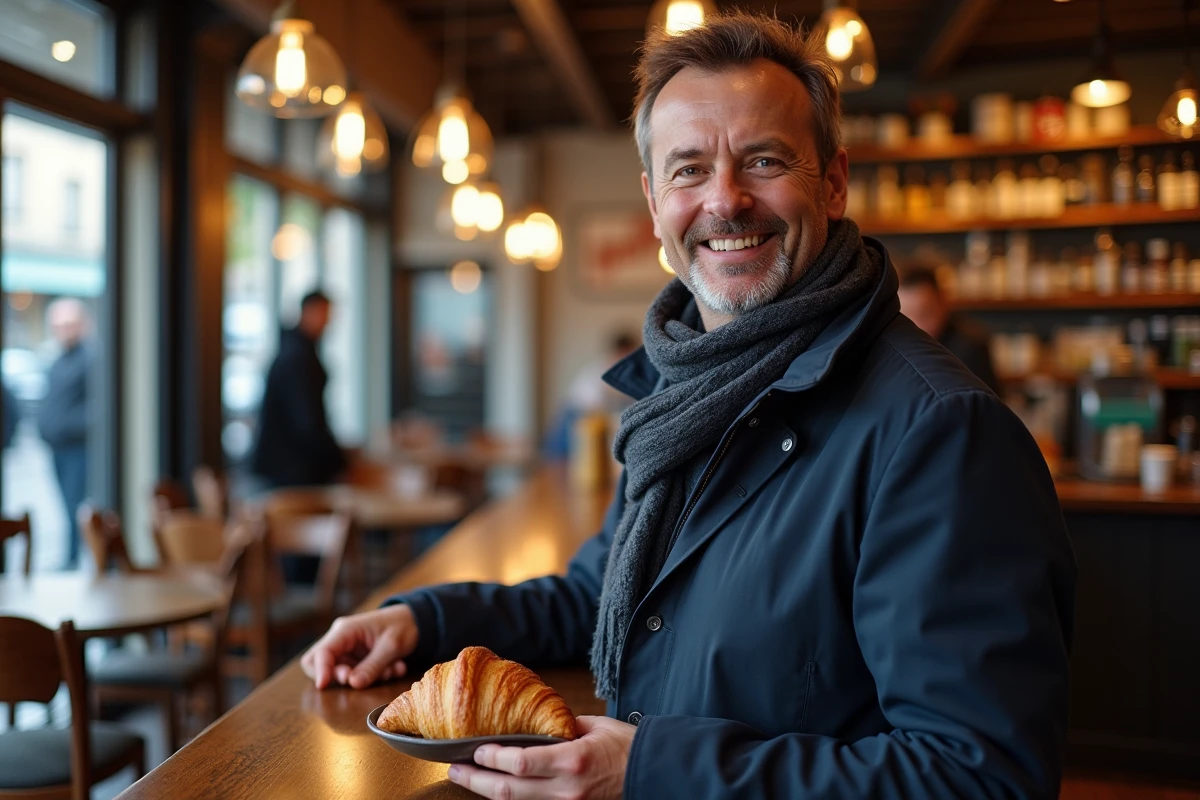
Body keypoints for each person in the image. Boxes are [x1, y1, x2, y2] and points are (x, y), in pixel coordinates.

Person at [302, 13, 1076, 799]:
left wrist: (650, 769)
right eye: (689, 169)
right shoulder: (682, 398)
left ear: (833, 180)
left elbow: (981, 777)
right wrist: (422, 623)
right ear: (653, 202)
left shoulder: (939, 430)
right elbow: (600, 600)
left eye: (764, 160)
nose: (726, 200)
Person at [250, 290, 347, 489]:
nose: (328, 322)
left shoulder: (293, 350)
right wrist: (338, 460)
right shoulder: (299, 358)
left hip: (283, 465)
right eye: (325, 314)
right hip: (292, 470)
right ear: (308, 312)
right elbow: (307, 421)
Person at [37, 298, 91, 570]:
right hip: (57, 447)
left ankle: (73, 561)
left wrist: (72, 425)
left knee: (75, 505)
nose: (63, 330)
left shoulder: (91, 359)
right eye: (58, 325)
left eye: (69, 324)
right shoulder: (58, 360)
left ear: (82, 324)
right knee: (65, 505)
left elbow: (100, 407)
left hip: (77, 447)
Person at [898, 264, 1001, 393]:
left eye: (926, 314)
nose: (918, 325)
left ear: (943, 302)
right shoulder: (896, 346)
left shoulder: (970, 346)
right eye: (907, 316)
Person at [543, 331, 639, 459]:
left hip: (597, 427)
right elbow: (592, 411)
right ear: (616, 353)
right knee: (562, 462)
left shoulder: (632, 376)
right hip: (576, 422)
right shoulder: (596, 372)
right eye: (625, 355)